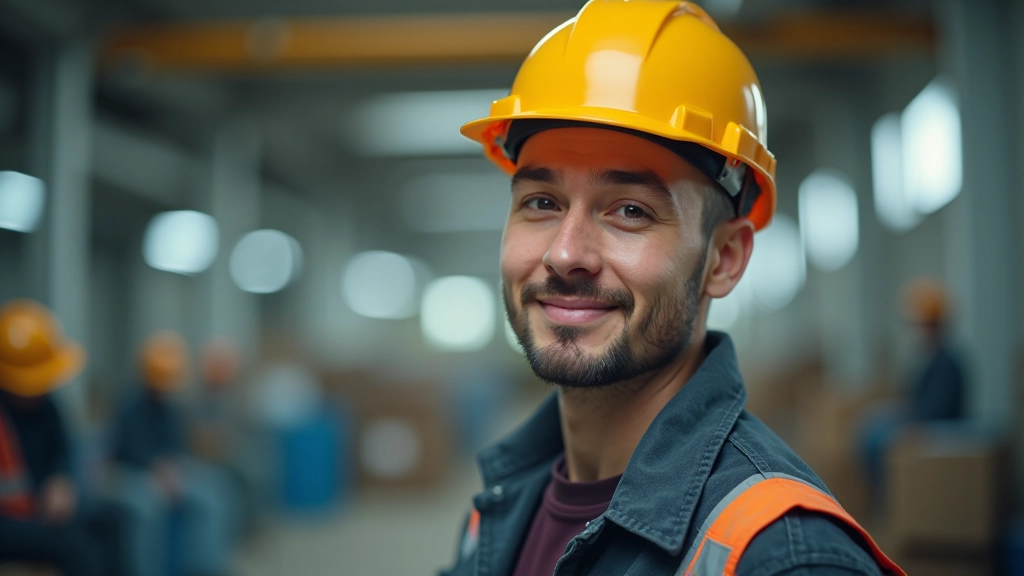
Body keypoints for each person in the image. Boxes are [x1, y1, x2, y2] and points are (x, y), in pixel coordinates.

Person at [442, 2, 904, 575]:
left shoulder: (781, 556)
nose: (565, 255)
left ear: (723, 259)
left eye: (630, 211)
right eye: (541, 203)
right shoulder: (499, 508)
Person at [0, 299, 120, 576]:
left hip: (42, 512)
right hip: (9, 522)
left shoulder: (48, 408)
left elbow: (64, 455)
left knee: (113, 519)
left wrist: (63, 482)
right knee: (77, 548)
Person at [110, 331, 232, 576]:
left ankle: (204, 567)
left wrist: (175, 470)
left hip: (170, 473)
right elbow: (127, 450)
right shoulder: (129, 406)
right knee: (148, 508)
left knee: (214, 490)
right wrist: (158, 469)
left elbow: (177, 446)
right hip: (134, 474)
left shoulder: (171, 408)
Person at [859, 279, 966, 507]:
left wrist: (911, 425)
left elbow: (940, 410)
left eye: (923, 325)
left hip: (938, 428)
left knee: (877, 441)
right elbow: (915, 398)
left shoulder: (947, 363)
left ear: (935, 325)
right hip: (920, 418)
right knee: (871, 423)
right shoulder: (930, 359)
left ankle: (890, 504)